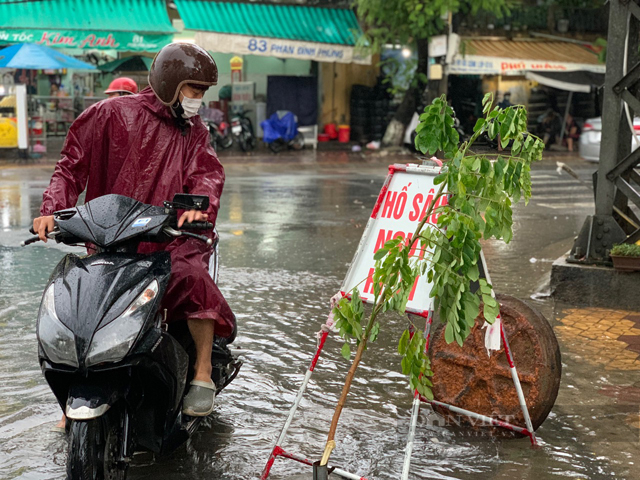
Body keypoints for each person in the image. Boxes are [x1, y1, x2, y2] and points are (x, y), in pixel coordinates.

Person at [32, 43, 235, 429]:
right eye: (194, 89)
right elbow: (71, 166)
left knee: (192, 275)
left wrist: (198, 206)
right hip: (110, 239)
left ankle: (203, 370)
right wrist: (50, 211)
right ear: (171, 84)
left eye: (202, 92)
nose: (198, 99)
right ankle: (74, 392)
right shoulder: (108, 115)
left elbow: (207, 174)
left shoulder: (195, 132)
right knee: (81, 300)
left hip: (171, 237)